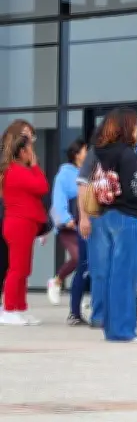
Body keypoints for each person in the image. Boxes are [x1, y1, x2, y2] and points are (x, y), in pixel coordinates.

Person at [83, 107, 137, 342]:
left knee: (110, 275)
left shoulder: (100, 153)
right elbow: (136, 191)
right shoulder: (127, 155)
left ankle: (111, 326)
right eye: (136, 124)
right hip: (127, 217)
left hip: (105, 215)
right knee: (127, 276)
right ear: (128, 127)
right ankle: (124, 330)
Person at [0, 123, 49, 326]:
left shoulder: (17, 169)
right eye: (30, 150)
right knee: (17, 269)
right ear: (22, 151)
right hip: (19, 223)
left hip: (25, 224)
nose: (33, 153)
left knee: (24, 269)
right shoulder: (16, 171)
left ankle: (20, 307)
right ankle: (9, 308)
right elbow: (42, 187)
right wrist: (35, 165)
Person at [50, 139, 88, 319]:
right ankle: (57, 281)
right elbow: (58, 199)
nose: (87, 153)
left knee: (85, 263)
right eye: (85, 150)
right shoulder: (64, 174)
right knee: (78, 258)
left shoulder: (88, 171)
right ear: (76, 154)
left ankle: (78, 305)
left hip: (84, 224)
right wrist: (66, 219)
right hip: (69, 226)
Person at [0, 121, 34, 301]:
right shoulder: (5, 161)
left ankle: (13, 306)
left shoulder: (25, 161)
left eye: (31, 136)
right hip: (7, 213)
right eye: (25, 135)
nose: (29, 139)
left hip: (17, 216)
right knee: (7, 262)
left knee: (15, 264)